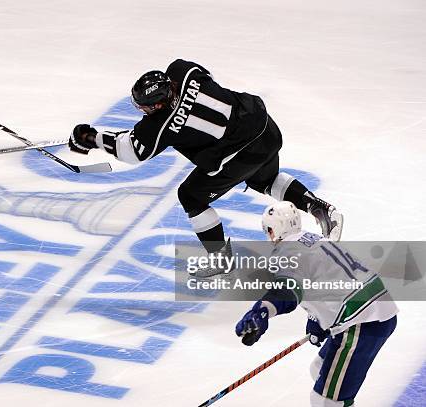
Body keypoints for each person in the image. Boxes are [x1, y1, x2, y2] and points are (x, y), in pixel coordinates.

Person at [69, 59, 343, 275]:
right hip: (263, 127)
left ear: (160, 103)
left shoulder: (160, 124)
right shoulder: (183, 70)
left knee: (191, 196)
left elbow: (131, 151)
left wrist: (90, 138)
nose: (144, 112)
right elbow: (207, 78)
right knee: (265, 179)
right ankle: (321, 209)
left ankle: (220, 258)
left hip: (239, 152)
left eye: (147, 108)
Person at [235, 201, 398, 407]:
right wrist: (319, 319)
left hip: (360, 322)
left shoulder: (286, 251)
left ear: (272, 229)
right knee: (319, 369)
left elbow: (288, 290)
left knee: (324, 402)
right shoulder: (314, 239)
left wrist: (261, 311)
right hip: (373, 310)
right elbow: (326, 278)